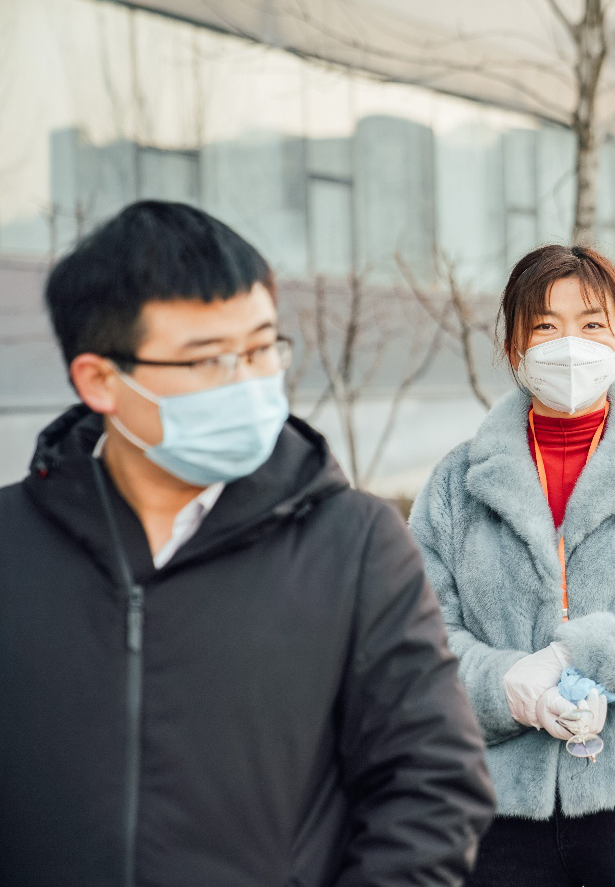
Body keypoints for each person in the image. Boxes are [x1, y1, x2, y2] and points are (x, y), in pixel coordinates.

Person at [0, 201, 495, 886]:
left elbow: (433, 789)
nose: (248, 381)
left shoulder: (354, 544)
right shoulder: (12, 546)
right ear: (99, 380)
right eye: (207, 359)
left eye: (262, 348)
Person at [410, 244, 615, 887]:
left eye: (592, 324)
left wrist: (576, 657)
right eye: (544, 325)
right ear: (514, 347)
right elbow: (418, 640)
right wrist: (508, 686)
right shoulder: (457, 483)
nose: (570, 344)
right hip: (499, 806)